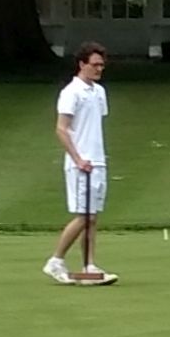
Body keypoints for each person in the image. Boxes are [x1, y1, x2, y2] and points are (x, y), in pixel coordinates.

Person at [43, 42, 116, 284]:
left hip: (97, 161)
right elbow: (61, 129)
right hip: (80, 163)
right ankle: (56, 260)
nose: (99, 69)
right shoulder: (71, 92)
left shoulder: (99, 92)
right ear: (82, 64)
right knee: (84, 216)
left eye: (101, 65)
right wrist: (78, 158)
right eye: (94, 65)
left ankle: (89, 266)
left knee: (92, 217)